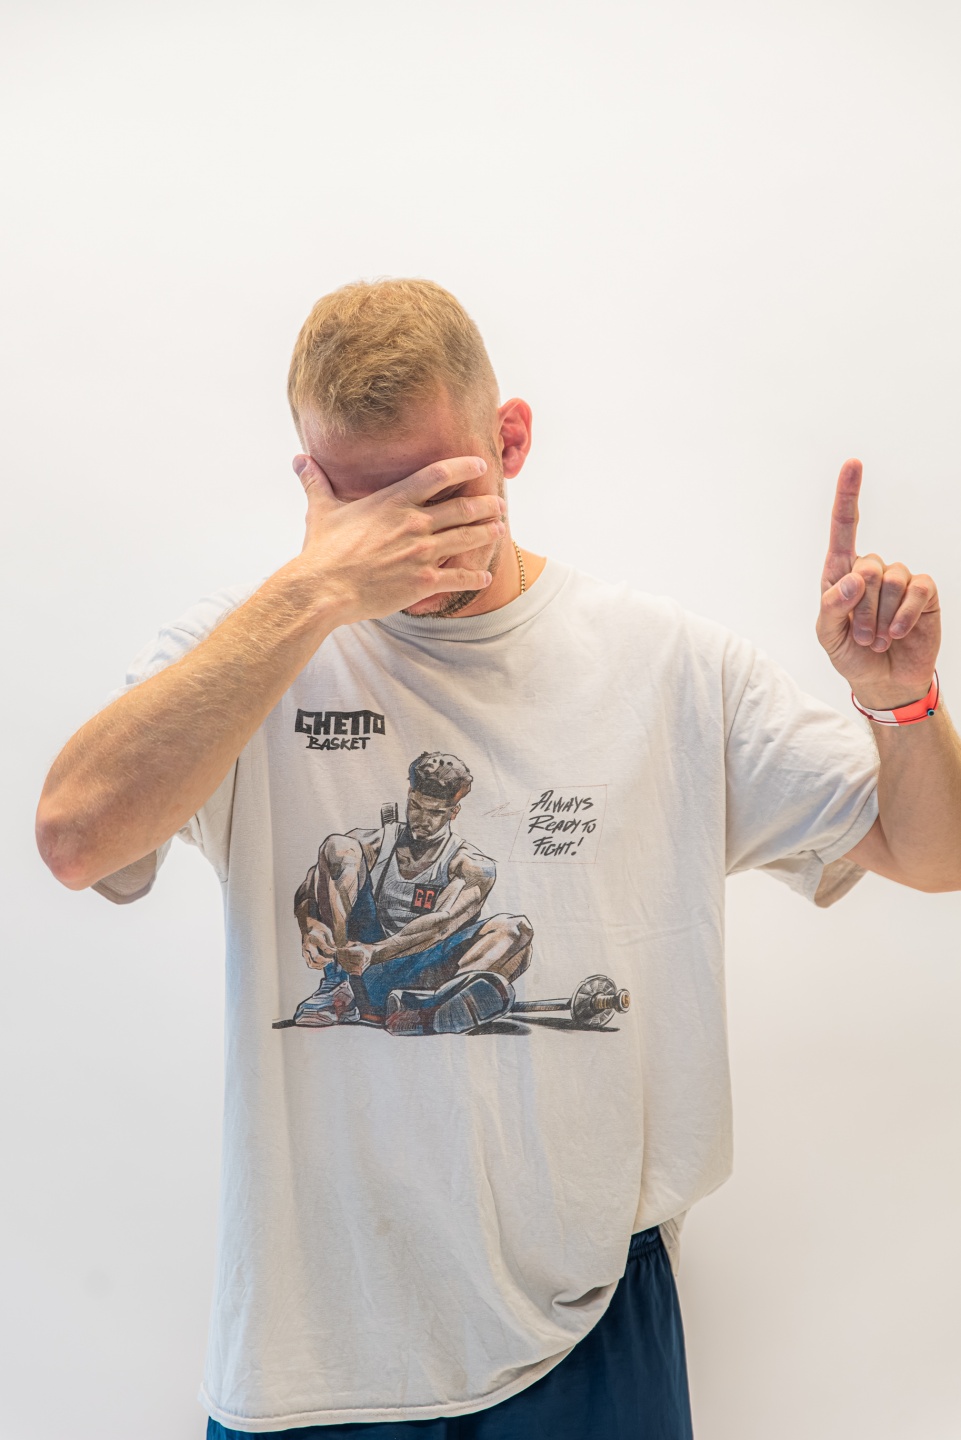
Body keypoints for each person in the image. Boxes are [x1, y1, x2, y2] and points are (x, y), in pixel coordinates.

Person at [35, 278, 961, 1439]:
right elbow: (75, 839)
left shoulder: (665, 665)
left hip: (586, 1321)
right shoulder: (248, 659)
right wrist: (316, 589)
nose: (406, 545)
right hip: (313, 1352)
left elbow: (931, 853)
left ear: (509, 441)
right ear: (310, 483)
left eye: (437, 494)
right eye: (364, 507)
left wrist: (902, 705)